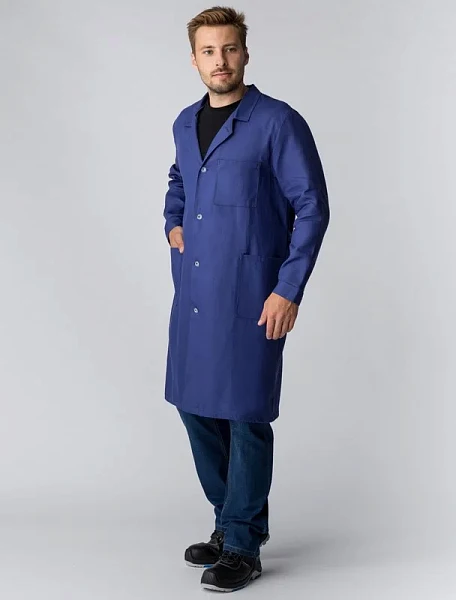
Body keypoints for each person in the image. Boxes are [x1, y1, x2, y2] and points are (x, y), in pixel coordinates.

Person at [163, 6, 330, 593]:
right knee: (194, 406)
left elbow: (312, 206)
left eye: (229, 49)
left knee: (245, 415)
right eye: (209, 51)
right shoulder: (185, 123)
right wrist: (172, 222)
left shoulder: (278, 122)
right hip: (195, 292)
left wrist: (287, 288)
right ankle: (227, 519)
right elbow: (179, 180)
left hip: (253, 295)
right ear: (194, 60)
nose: (221, 61)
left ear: (245, 54)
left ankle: (242, 544)